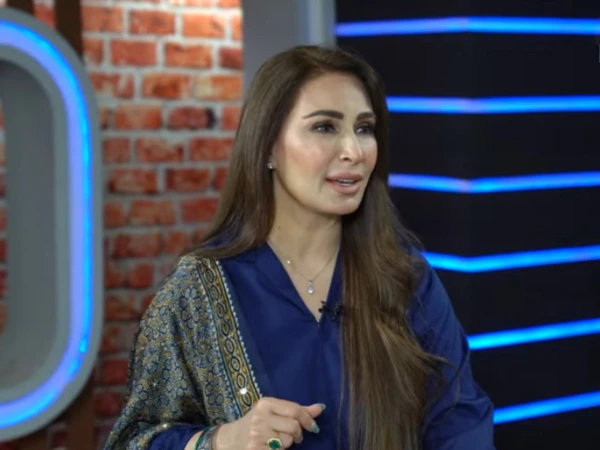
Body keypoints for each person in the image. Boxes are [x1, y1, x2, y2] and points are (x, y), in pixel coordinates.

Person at [103, 45, 495, 450]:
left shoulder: (405, 277)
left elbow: (461, 423)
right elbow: (133, 440)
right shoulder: (198, 289)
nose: (353, 151)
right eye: (324, 127)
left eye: (364, 128)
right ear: (268, 146)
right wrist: (219, 441)